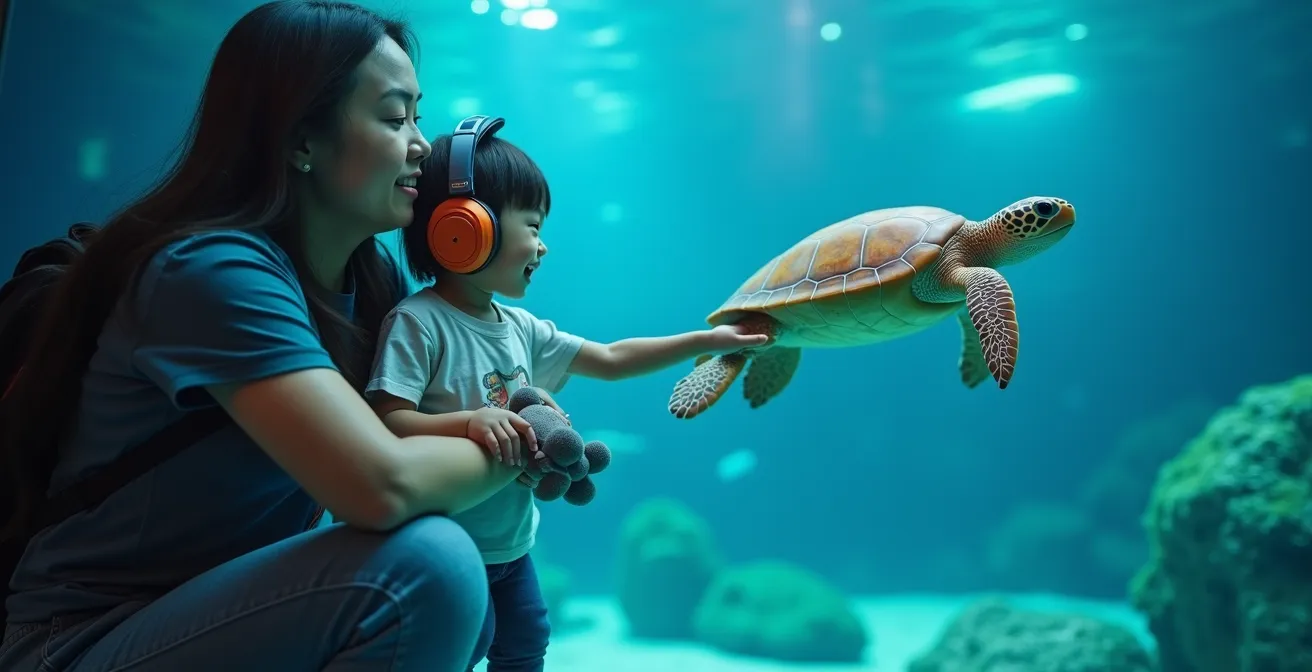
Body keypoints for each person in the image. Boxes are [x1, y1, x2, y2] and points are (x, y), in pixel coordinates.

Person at [0, 2, 521, 670]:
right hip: (79, 640)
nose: (422, 143)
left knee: (470, 602)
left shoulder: (372, 286)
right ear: (301, 138)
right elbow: (382, 486)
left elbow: (414, 446)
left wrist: (499, 421)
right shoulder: (212, 272)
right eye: (395, 117)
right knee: (428, 569)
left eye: (418, 115)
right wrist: (517, 447)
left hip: (211, 620)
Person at [365, 117, 767, 672]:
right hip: (445, 552)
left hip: (513, 546)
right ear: (466, 227)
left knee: (528, 641)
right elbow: (387, 421)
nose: (543, 245)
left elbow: (612, 358)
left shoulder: (521, 327)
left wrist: (708, 339)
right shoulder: (419, 323)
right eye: (532, 225)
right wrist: (469, 422)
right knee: (460, 646)